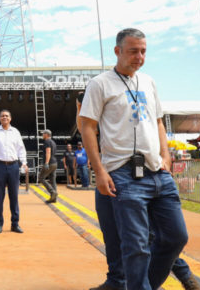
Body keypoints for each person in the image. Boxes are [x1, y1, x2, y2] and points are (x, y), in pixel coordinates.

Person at [79, 28, 188, 290]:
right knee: (136, 245)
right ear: (117, 51)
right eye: (133, 51)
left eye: (143, 51)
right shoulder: (100, 84)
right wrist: (100, 170)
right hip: (123, 174)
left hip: (157, 172)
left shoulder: (149, 82)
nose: (139, 57)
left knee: (176, 237)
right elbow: (86, 126)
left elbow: (159, 121)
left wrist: (165, 154)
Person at [0, 109, 28, 233]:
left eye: (7, 116)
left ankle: (15, 224)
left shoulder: (15, 132)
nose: (4, 117)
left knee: (14, 196)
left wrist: (24, 162)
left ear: (10, 118)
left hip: (13, 166)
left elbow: (21, 148)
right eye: (2, 116)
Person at [39, 129, 58, 203]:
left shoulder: (47, 141)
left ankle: (52, 192)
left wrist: (46, 163)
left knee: (41, 178)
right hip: (54, 163)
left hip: (49, 163)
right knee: (53, 180)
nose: (42, 135)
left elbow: (48, 152)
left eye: (43, 134)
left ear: (46, 134)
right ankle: (54, 198)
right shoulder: (53, 142)